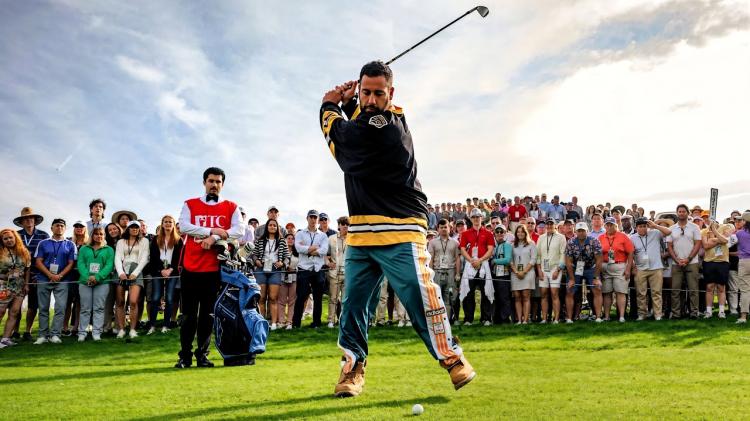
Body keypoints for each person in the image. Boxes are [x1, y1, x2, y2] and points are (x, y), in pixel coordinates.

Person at [320, 61, 473, 397]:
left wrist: (329, 105)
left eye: (379, 93)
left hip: (400, 226)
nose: (371, 100)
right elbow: (358, 120)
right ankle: (353, 367)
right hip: (362, 231)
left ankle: (452, 357)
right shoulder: (368, 117)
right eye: (365, 92)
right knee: (353, 304)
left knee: (419, 293)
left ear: (392, 93)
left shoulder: (387, 125)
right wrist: (350, 103)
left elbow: (345, 140)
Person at [175, 166, 244, 368]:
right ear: (204, 182)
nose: (214, 185)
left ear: (222, 184)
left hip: (214, 269)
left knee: (208, 315)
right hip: (190, 268)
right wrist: (212, 230)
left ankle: (202, 356)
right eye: (211, 181)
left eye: (218, 181)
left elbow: (239, 230)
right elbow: (183, 226)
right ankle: (184, 356)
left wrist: (213, 238)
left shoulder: (231, 206)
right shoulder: (190, 204)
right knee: (188, 316)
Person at [34, 218, 77, 344]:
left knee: (60, 307)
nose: (59, 227)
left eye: (62, 226)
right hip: (44, 278)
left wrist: (60, 275)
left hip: (62, 280)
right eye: (57, 225)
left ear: (65, 228)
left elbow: (71, 263)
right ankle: (42, 335)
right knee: (43, 308)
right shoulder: (43, 243)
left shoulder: (70, 244)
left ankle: (55, 335)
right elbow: (38, 262)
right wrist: (50, 274)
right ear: (52, 228)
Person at [14, 207, 49, 341]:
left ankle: (27, 331)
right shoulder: (16, 235)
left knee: (33, 306)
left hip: (36, 276)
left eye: (31, 218)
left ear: (35, 220)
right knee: (16, 306)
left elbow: (47, 256)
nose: (29, 220)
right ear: (21, 222)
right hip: (18, 276)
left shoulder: (43, 236)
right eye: (25, 219)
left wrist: (40, 274)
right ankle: (15, 331)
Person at [76, 227, 114, 341]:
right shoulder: (84, 248)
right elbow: (80, 264)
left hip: (102, 282)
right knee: (85, 308)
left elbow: (109, 265)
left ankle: (96, 332)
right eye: (96, 234)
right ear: (92, 236)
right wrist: (88, 277)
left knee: (99, 308)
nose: (99, 236)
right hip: (85, 282)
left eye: (101, 234)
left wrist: (97, 277)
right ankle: (82, 333)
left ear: (104, 236)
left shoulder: (109, 249)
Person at [459, 208, 495, 326]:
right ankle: (468, 319)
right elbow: (463, 249)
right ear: (470, 219)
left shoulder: (488, 233)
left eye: (477, 217)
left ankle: (486, 318)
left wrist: (480, 260)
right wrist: (471, 260)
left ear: (482, 218)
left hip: (483, 264)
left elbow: (490, 250)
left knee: (486, 291)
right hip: (470, 265)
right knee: (469, 292)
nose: (476, 219)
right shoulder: (465, 233)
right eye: (473, 217)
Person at [292, 210, 328, 328]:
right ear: (307, 218)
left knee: (318, 298)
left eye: (315, 217)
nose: (313, 219)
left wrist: (307, 249)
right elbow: (298, 248)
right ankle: (296, 323)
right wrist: (314, 248)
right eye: (311, 217)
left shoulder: (323, 235)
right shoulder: (300, 233)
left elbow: (324, 250)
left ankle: (316, 323)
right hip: (304, 268)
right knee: (301, 296)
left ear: (317, 219)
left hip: (318, 269)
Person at [630, 218, 672, 321]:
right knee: (641, 293)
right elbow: (630, 254)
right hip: (640, 268)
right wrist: (633, 266)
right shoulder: (632, 238)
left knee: (656, 292)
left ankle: (658, 315)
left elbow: (668, 232)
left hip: (656, 267)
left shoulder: (655, 233)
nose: (643, 228)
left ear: (647, 226)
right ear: (636, 228)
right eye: (640, 227)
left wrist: (655, 225)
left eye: (644, 226)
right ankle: (642, 314)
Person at [148, 215, 183, 334]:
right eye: (165, 222)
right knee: (155, 297)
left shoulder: (178, 240)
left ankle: (166, 325)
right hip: (158, 271)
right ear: (162, 224)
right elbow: (153, 256)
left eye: (170, 222)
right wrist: (161, 270)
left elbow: (179, 257)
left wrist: (170, 269)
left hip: (172, 272)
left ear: (173, 224)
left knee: (169, 298)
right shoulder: (156, 239)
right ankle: (152, 325)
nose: (168, 224)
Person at [114, 221, 149, 338]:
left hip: (136, 269)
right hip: (122, 270)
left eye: (137, 227)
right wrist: (120, 272)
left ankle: (133, 329)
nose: (135, 229)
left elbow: (144, 258)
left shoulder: (144, 241)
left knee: (133, 301)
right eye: (132, 227)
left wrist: (135, 273)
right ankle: (121, 329)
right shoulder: (121, 241)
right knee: (120, 301)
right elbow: (117, 257)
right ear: (128, 229)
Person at [252, 219, 289, 330]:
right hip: (261, 268)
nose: (272, 227)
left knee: (273, 298)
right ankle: (261, 323)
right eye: (270, 225)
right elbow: (254, 254)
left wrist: (282, 263)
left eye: (274, 225)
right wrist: (256, 261)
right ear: (267, 227)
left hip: (275, 269)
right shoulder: (260, 240)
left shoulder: (282, 241)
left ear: (277, 228)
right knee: (261, 298)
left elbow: (287, 257)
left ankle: (273, 323)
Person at [667, 204, 702, 319]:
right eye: (679, 211)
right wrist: (677, 260)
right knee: (675, 290)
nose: (681, 213)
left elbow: (698, 244)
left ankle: (694, 313)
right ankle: (676, 313)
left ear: (688, 213)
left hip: (692, 263)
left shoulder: (694, 227)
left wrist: (689, 259)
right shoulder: (672, 228)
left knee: (693, 290)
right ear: (677, 213)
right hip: (676, 263)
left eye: (683, 211)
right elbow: (669, 246)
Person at [565, 222, 603, 323]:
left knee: (597, 289)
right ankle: (569, 318)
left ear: (587, 231)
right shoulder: (571, 242)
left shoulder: (594, 241)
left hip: (591, 267)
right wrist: (571, 279)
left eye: (583, 231)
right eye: (579, 231)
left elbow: (599, 260)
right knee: (570, 290)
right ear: (576, 232)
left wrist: (596, 277)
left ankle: (598, 317)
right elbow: (568, 262)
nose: (581, 233)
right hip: (576, 268)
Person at [599, 217, 634, 322]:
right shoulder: (601, 237)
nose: (609, 227)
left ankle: (622, 316)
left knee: (620, 292)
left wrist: (628, 268)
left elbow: (630, 252)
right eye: (607, 225)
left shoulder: (623, 236)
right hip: (605, 266)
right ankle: (607, 316)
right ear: (605, 226)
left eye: (611, 225)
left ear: (616, 226)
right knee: (606, 292)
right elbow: (598, 254)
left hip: (620, 266)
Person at [0, 229, 31, 348]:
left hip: (19, 286)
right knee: (1, 311)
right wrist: (4, 275)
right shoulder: (1, 252)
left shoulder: (24, 251)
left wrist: (26, 284)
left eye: (11, 237)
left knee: (15, 312)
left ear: (15, 238)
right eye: (5, 239)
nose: (9, 240)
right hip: (3, 285)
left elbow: (27, 269)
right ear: (2, 240)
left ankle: (5, 339)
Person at [428, 219, 461, 326]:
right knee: (436, 297)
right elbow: (430, 259)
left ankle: (447, 321)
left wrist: (457, 273)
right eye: (441, 227)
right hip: (437, 272)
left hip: (450, 272)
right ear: (438, 229)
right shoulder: (432, 242)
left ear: (449, 228)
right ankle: (438, 321)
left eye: (445, 227)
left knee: (450, 297)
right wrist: (431, 274)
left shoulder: (455, 243)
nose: (443, 229)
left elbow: (457, 259)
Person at [536, 218, 566, 324]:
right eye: (547, 224)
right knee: (543, 294)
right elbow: (538, 255)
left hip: (555, 268)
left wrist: (558, 270)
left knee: (554, 293)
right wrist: (539, 270)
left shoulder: (561, 237)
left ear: (555, 225)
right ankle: (544, 319)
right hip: (543, 269)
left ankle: (556, 319)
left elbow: (563, 254)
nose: (549, 226)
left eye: (551, 224)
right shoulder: (541, 237)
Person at [701, 221, 731, 318]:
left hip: (723, 262)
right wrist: (718, 239)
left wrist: (714, 233)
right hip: (709, 262)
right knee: (709, 287)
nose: (713, 224)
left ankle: (721, 312)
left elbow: (725, 240)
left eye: (715, 224)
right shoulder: (704, 231)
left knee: (721, 287)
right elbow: (706, 246)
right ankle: (708, 311)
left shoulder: (725, 228)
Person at [63, 221, 87, 337]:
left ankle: (76, 327)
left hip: (82, 275)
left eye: (81, 226)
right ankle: (64, 327)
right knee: (67, 301)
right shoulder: (68, 241)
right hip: (69, 274)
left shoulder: (88, 243)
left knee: (79, 302)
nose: (79, 228)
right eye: (76, 226)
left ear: (85, 229)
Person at [510, 224, 537, 324]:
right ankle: (519, 320)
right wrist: (517, 272)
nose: (520, 233)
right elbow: (510, 261)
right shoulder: (512, 245)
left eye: (522, 231)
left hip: (528, 273)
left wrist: (524, 271)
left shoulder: (531, 244)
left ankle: (525, 320)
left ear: (525, 233)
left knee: (526, 296)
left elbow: (533, 259)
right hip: (515, 273)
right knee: (517, 296)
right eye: (518, 232)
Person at [327, 216, 350, 328]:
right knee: (333, 298)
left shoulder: (352, 239)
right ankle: (331, 320)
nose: (345, 226)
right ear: (339, 225)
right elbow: (325, 254)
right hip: (334, 273)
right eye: (343, 224)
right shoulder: (331, 238)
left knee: (346, 300)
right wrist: (328, 263)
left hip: (348, 273)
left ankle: (344, 321)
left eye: (347, 224)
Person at [491, 225, 513, 324]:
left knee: (504, 297)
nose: (499, 234)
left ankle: (505, 318)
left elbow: (507, 259)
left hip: (504, 274)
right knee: (497, 297)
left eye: (502, 232)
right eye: (497, 232)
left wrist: (495, 261)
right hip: (495, 274)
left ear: (505, 233)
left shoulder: (507, 245)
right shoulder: (495, 246)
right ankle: (497, 318)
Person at [103, 223, 121, 334]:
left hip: (121, 275)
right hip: (108, 276)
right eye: (110, 230)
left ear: (118, 229)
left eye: (114, 229)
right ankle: (107, 326)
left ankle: (119, 326)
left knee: (120, 302)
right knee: (108, 302)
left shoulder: (124, 241)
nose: (113, 231)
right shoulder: (105, 244)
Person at [278, 232, 298, 330]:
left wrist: (294, 269)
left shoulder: (298, 252)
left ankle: (289, 322)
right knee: (281, 300)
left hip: (294, 277)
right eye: (288, 238)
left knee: (292, 301)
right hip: (282, 277)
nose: (290, 240)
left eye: (292, 238)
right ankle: (281, 321)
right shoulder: (280, 252)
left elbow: (301, 264)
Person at [734, 212, 750, 323]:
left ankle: (743, 317)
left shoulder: (739, 233)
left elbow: (726, 241)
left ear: (744, 221)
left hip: (744, 262)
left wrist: (714, 230)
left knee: (745, 290)